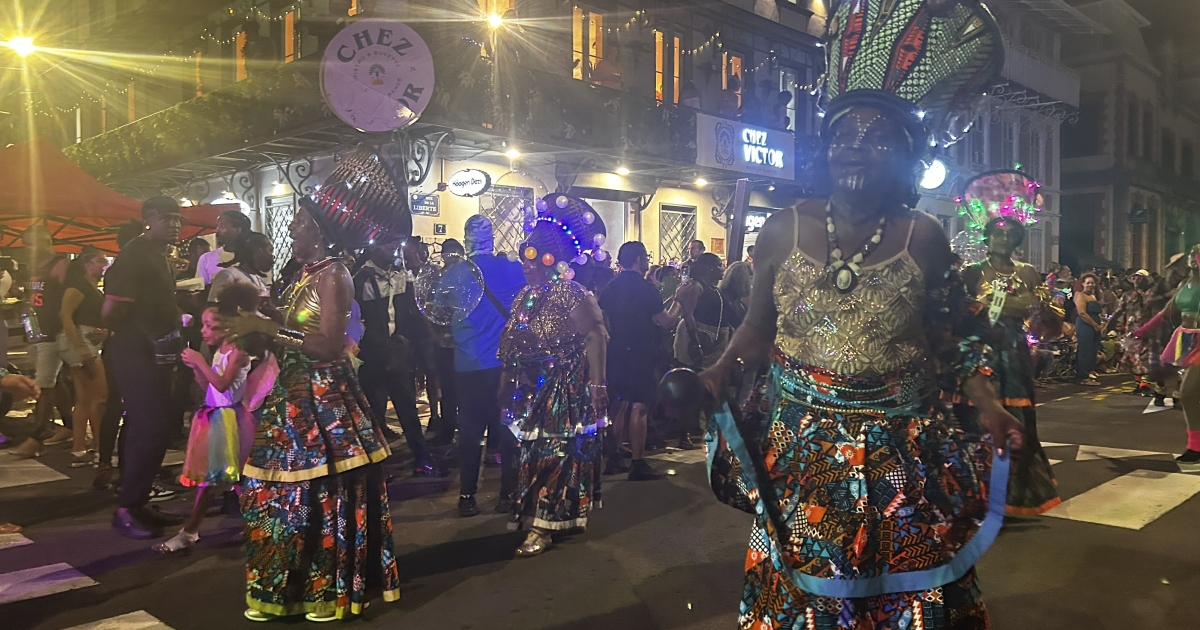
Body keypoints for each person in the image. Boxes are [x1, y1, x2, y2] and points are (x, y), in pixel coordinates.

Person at [690, 2, 1023, 626]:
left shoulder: (923, 236)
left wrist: (987, 403)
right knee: (806, 602)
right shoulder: (781, 232)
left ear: (904, 155)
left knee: (903, 601)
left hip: (902, 454)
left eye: (876, 140)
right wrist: (718, 369)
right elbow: (758, 330)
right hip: (806, 454)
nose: (856, 150)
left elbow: (953, 340)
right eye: (844, 136)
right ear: (826, 149)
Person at [227, 149, 401, 621]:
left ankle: (326, 589)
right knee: (273, 492)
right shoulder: (301, 274)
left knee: (318, 493)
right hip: (293, 395)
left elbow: (327, 344)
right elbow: (299, 329)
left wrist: (270, 330)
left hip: (325, 399)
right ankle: (281, 586)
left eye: (299, 220)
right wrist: (269, 318)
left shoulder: (335, 275)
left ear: (319, 231)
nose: (290, 227)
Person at [501, 194, 609, 556]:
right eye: (523, 255)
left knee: (554, 454)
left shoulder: (570, 293)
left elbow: (596, 337)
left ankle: (542, 527)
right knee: (531, 455)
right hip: (531, 390)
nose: (526, 265)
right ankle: (540, 515)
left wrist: (597, 385)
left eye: (534, 257)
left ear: (552, 260)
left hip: (565, 388)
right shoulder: (525, 297)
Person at [154, 284, 267, 554]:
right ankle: (256, 525)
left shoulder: (238, 353)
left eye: (209, 326)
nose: (203, 331)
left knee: (224, 479)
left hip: (230, 421)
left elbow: (223, 385)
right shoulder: (221, 351)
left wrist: (200, 362)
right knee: (226, 479)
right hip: (215, 417)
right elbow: (208, 388)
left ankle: (192, 531)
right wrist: (196, 368)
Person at [962, 217, 1062, 516]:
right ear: (987, 238)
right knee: (978, 419)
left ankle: (1012, 495)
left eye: (1009, 235)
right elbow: (962, 313)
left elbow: (1045, 313)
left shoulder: (1028, 272)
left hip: (1015, 353)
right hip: (983, 353)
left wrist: (1032, 309)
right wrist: (1012, 304)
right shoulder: (972, 273)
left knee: (1017, 420)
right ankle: (978, 495)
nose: (1003, 239)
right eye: (997, 234)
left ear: (1018, 240)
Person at [103, 197, 187, 539]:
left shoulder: (160, 255)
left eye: (178, 219)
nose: (175, 225)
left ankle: (138, 503)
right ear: (147, 220)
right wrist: (139, 335)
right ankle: (126, 507)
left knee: (155, 427)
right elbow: (111, 310)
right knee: (148, 426)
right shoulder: (135, 254)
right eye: (167, 218)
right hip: (135, 353)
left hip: (158, 353)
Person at [445, 215, 525, 518]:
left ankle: (467, 496)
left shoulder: (454, 275)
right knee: (507, 428)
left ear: (466, 239)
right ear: (492, 237)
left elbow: (438, 310)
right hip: (505, 364)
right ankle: (508, 494)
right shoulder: (512, 270)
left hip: (467, 364)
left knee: (469, 431)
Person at [353, 244, 442, 475]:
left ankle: (421, 457)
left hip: (397, 352)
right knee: (374, 412)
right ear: (373, 249)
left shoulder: (401, 276)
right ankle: (376, 468)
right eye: (385, 245)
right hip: (372, 355)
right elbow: (356, 318)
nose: (391, 249)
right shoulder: (361, 279)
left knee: (408, 408)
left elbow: (411, 312)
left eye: (393, 244)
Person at [598, 241, 684, 480]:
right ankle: (637, 462)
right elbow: (665, 321)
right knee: (640, 405)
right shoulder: (647, 289)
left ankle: (614, 457)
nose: (647, 260)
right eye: (645, 256)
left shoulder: (611, 287)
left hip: (616, 351)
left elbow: (601, 316)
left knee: (618, 403)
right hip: (640, 351)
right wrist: (678, 302)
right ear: (637, 259)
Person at [1135, 245, 1200, 463]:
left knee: (1189, 392)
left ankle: (1195, 447)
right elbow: (1167, 312)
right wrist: (1142, 330)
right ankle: (1195, 446)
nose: (1192, 259)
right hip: (1188, 339)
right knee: (1190, 394)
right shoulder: (1185, 285)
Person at [10, 252, 74, 458]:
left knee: (44, 384)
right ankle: (69, 426)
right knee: (55, 382)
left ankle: (36, 438)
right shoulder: (31, 268)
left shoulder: (60, 263)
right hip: (40, 331)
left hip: (53, 333)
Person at [59, 250, 110, 469]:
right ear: (87, 264)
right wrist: (80, 348)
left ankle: (80, 449)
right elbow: (65, 316)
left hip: (87, 341)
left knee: (85, 399)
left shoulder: (90, 286)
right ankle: (100, 448)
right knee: (100, 397)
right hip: (82, 343)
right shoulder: (78, 286)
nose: (105, 264)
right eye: (100, 260)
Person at [676, 252, 741, 370]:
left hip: (711, 341)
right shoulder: (696, 286)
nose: (723, 269)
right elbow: (688, 314)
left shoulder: (712, 288)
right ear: (710, 268)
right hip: (696, 339)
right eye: (719, 265)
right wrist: (696, 344)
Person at [209, 232, 274, 303]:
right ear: (258, 252)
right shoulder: (228, 276)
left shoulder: (260, 280)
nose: (272, 256)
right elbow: (213, 308)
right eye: (270, 250)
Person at [195, 210, 251, 285]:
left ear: (238, 230)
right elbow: (199, 289)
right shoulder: (206, 259)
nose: (217, 230)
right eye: (217, 226)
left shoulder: (255, 257)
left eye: (223, 226)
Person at [1075, 272, 1104, 386]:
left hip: (1095, 327)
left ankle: (1091, 373)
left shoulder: (1093, 296)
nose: (1090, 285)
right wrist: (1095, 325)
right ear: (1083, 284)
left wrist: (1101, 324)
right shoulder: (1080, 295)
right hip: (1085, 326)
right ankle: (1083, 376)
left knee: (1093, 351)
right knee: (1085, 351)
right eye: (1088, 283)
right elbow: (1082, 313)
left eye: (1092, 283)